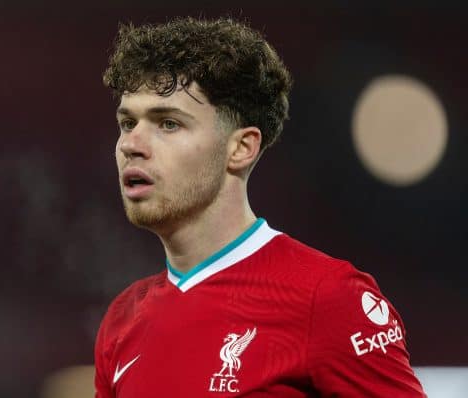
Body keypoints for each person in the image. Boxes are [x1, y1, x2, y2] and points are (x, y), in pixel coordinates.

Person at [95, 17, 426, 397]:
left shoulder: (329, 298)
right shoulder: (122, 320)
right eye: (126, 122)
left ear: (241, 148)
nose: (131, 144)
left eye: (167, 123)